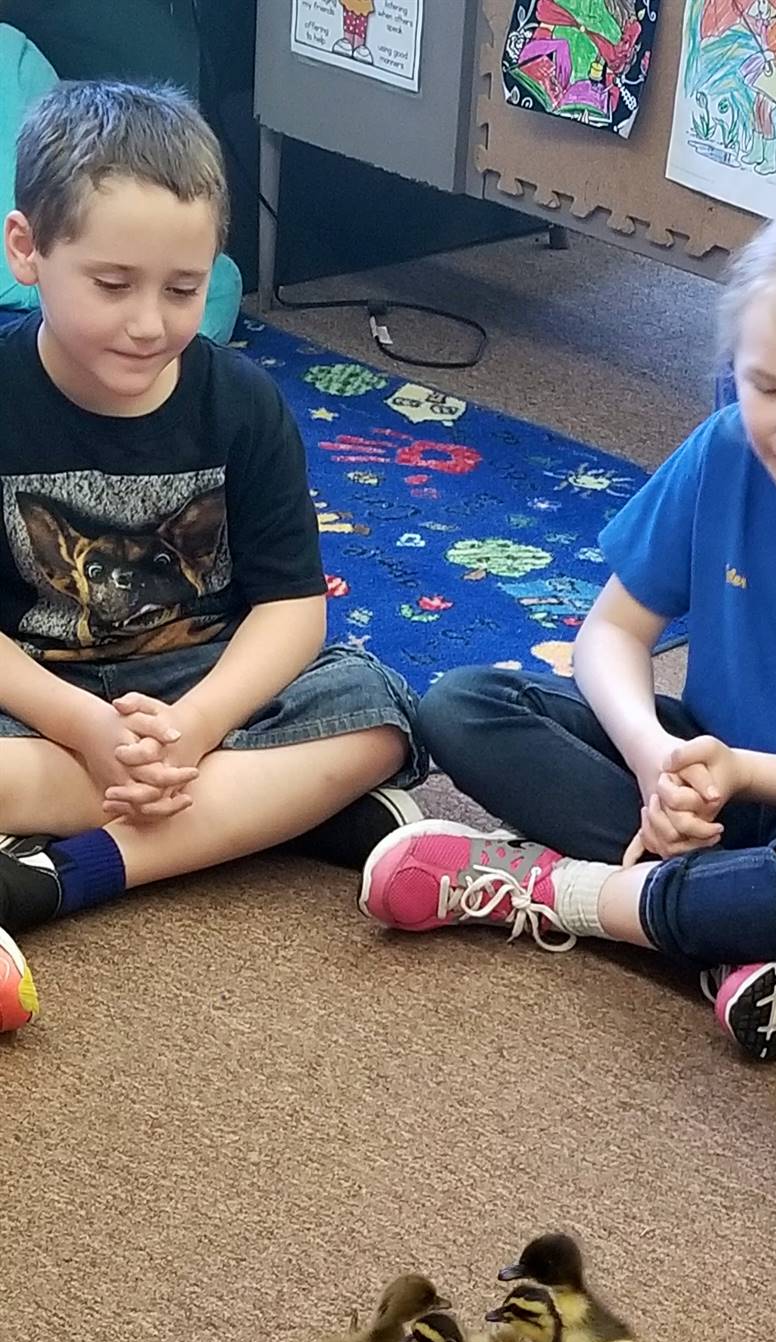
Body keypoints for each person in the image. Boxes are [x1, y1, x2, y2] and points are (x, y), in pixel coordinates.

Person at [361, 192, 776, 1062]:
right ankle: (754, 935)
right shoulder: (724, 449)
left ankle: (567, 889)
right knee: (462, 704)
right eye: (767, 386)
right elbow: (610, 633)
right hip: (707, 774)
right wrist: (652, 767)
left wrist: (741, 772)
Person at [0, 79, 425, 1029]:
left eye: (183, 289)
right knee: (341, 760)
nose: (150, 322)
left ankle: (62, 872)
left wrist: (190, 730)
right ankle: (274, 814)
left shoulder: (244, 402)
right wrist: (85, 725)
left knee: (380, 712)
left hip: (206, 689)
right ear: (27, 249)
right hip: (36, 691)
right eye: (113, 285)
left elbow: (290, 609)